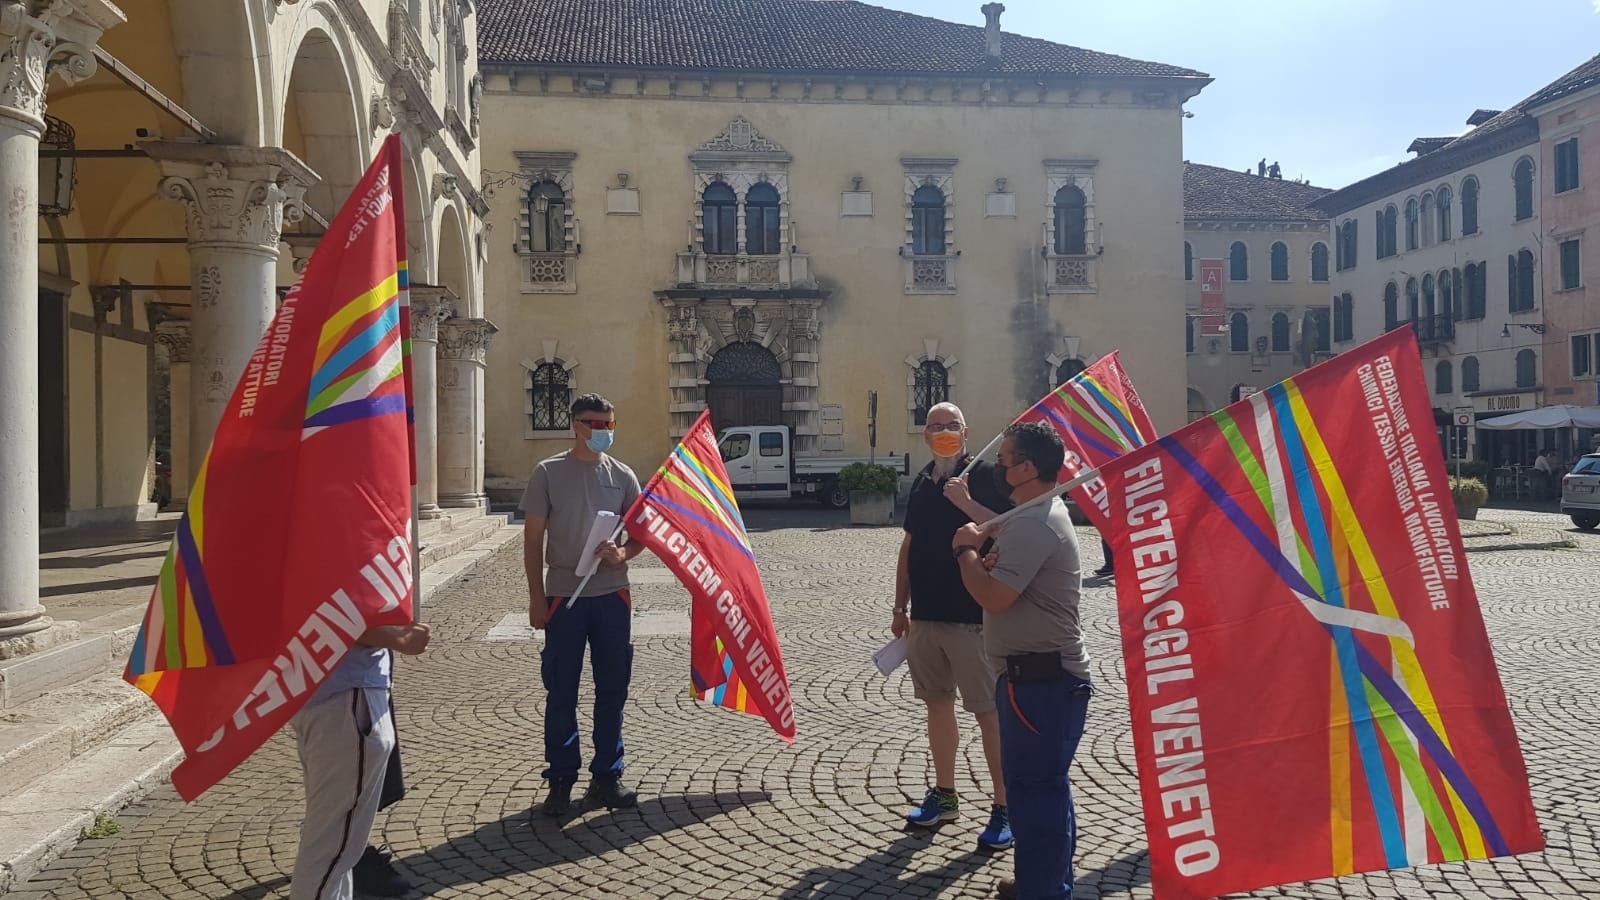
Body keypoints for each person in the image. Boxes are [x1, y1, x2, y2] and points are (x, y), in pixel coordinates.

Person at [952, 422, 1092, 900]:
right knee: (1042, 790)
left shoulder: (1034, 522)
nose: (999, 466)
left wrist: (965, 550)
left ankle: (1044, 891)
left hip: (1042, 682)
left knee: (1035, 792)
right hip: (1032, 680)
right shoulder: (1034, 513)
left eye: (1006, 458)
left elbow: (994, 597)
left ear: (1028, 468)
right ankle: (1041, 882)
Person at [893, 402, 1014, 850]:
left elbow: (1009, 531)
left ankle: (1004, 807)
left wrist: (966, 502)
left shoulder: (983, 477)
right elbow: (909, 547)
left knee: (988, 714)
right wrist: (899, 607)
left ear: (966, 433)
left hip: (973, 618)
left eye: (952, 426)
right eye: (935, 426)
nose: (943, 432)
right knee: (937, 707)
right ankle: (945, 795)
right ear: (925, 436)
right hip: (925, 616)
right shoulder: (923, 482)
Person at [522, 393, 645, 817]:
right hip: (564, 597)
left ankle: (607, 776)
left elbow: (641, 535)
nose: (604, 431)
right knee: (561, 689)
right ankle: (560, 778)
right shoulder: (548, 473)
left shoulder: (623, 475)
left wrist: (622, 555)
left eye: (610, 424)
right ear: (575, 424)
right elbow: (533, 539)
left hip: (612, 595)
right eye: (595, 423)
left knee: (612, 688)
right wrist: (537, 599)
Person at [290, 622, 431, 900]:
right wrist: (399, 638)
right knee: (329, 852)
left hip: (333, 693)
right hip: (346, 696)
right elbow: (328, 613)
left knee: (334, 848)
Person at [350, 699, 412, 897]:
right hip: (348, 691)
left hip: (358, 687)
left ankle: (350, 848)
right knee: (355, 771)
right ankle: (350, 854)